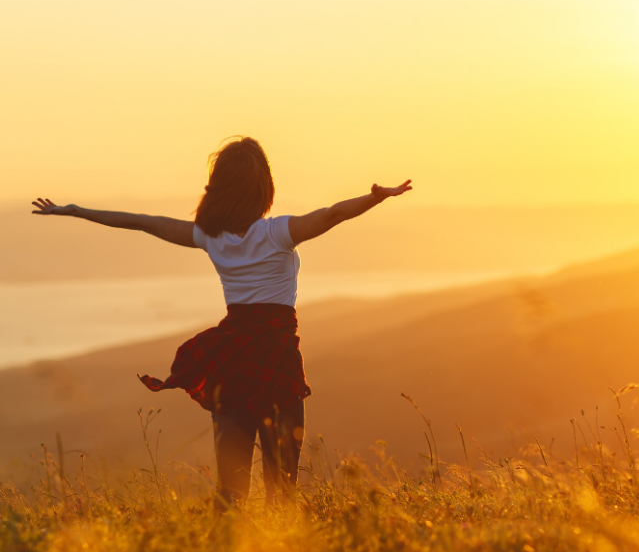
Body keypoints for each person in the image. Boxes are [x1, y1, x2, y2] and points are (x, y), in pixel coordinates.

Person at [31, 136, 411, 509]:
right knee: (283, 489)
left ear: (220, 188)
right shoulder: (278, 233)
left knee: (231, 492)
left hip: (230, 359)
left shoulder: (209, 237)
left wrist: (76, 210)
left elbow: (141, 222)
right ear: (263, 188)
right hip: (276, 360)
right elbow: (332, 214)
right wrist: (375, 199)